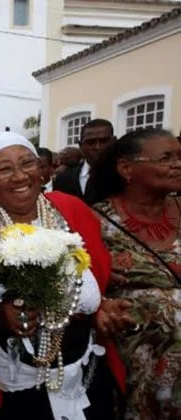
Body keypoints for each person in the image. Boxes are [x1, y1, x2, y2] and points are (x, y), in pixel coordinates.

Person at [0, 131, 130, 420]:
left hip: (85, 366)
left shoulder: (69, 208)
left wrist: (101, 305)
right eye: (4, 169)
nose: (20, 176)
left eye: (27, 163)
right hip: (16, 381)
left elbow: (94, 272)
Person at [89, 128, 181, 420]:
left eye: (179, 156)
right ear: (127, 169)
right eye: (166, 158)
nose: (177, 164)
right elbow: (80, 286)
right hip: (134, 371)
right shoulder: (95, 221)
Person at [54, 119, 115, 204]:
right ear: (80, 145)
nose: (97, 147)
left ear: (114, 141)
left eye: (104, 141)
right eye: (91, 142)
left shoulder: (125, 177)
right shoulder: (63, 179)